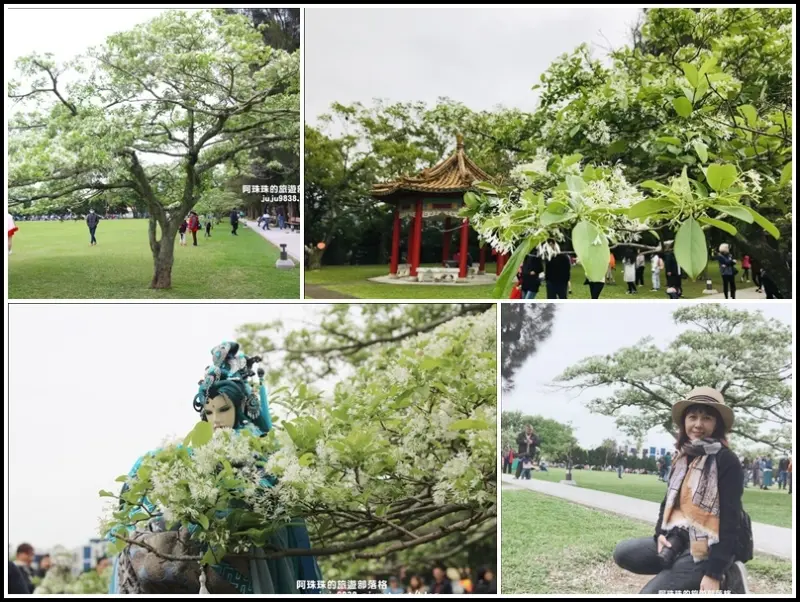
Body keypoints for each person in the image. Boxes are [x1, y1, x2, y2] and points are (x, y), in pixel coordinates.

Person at [108, 341, 322, 594]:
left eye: (223, 409)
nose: (217, 419)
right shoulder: (195, 450)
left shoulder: (259, 450)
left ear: (240, 407)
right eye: (209, 412)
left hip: (248, 559)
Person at [612, 387, 749, 594]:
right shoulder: (683, 457)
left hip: (709, 545)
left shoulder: (726, 460)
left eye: (707, 418)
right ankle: (681, 570)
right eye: (692, 417)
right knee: (624, 552)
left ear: (717, 423)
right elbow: (668, 501)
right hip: (681, 536)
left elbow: (730, 521)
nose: (698, 424)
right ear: (684, 421)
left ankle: (728, 574)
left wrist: (713, 573)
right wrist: (661, 534)